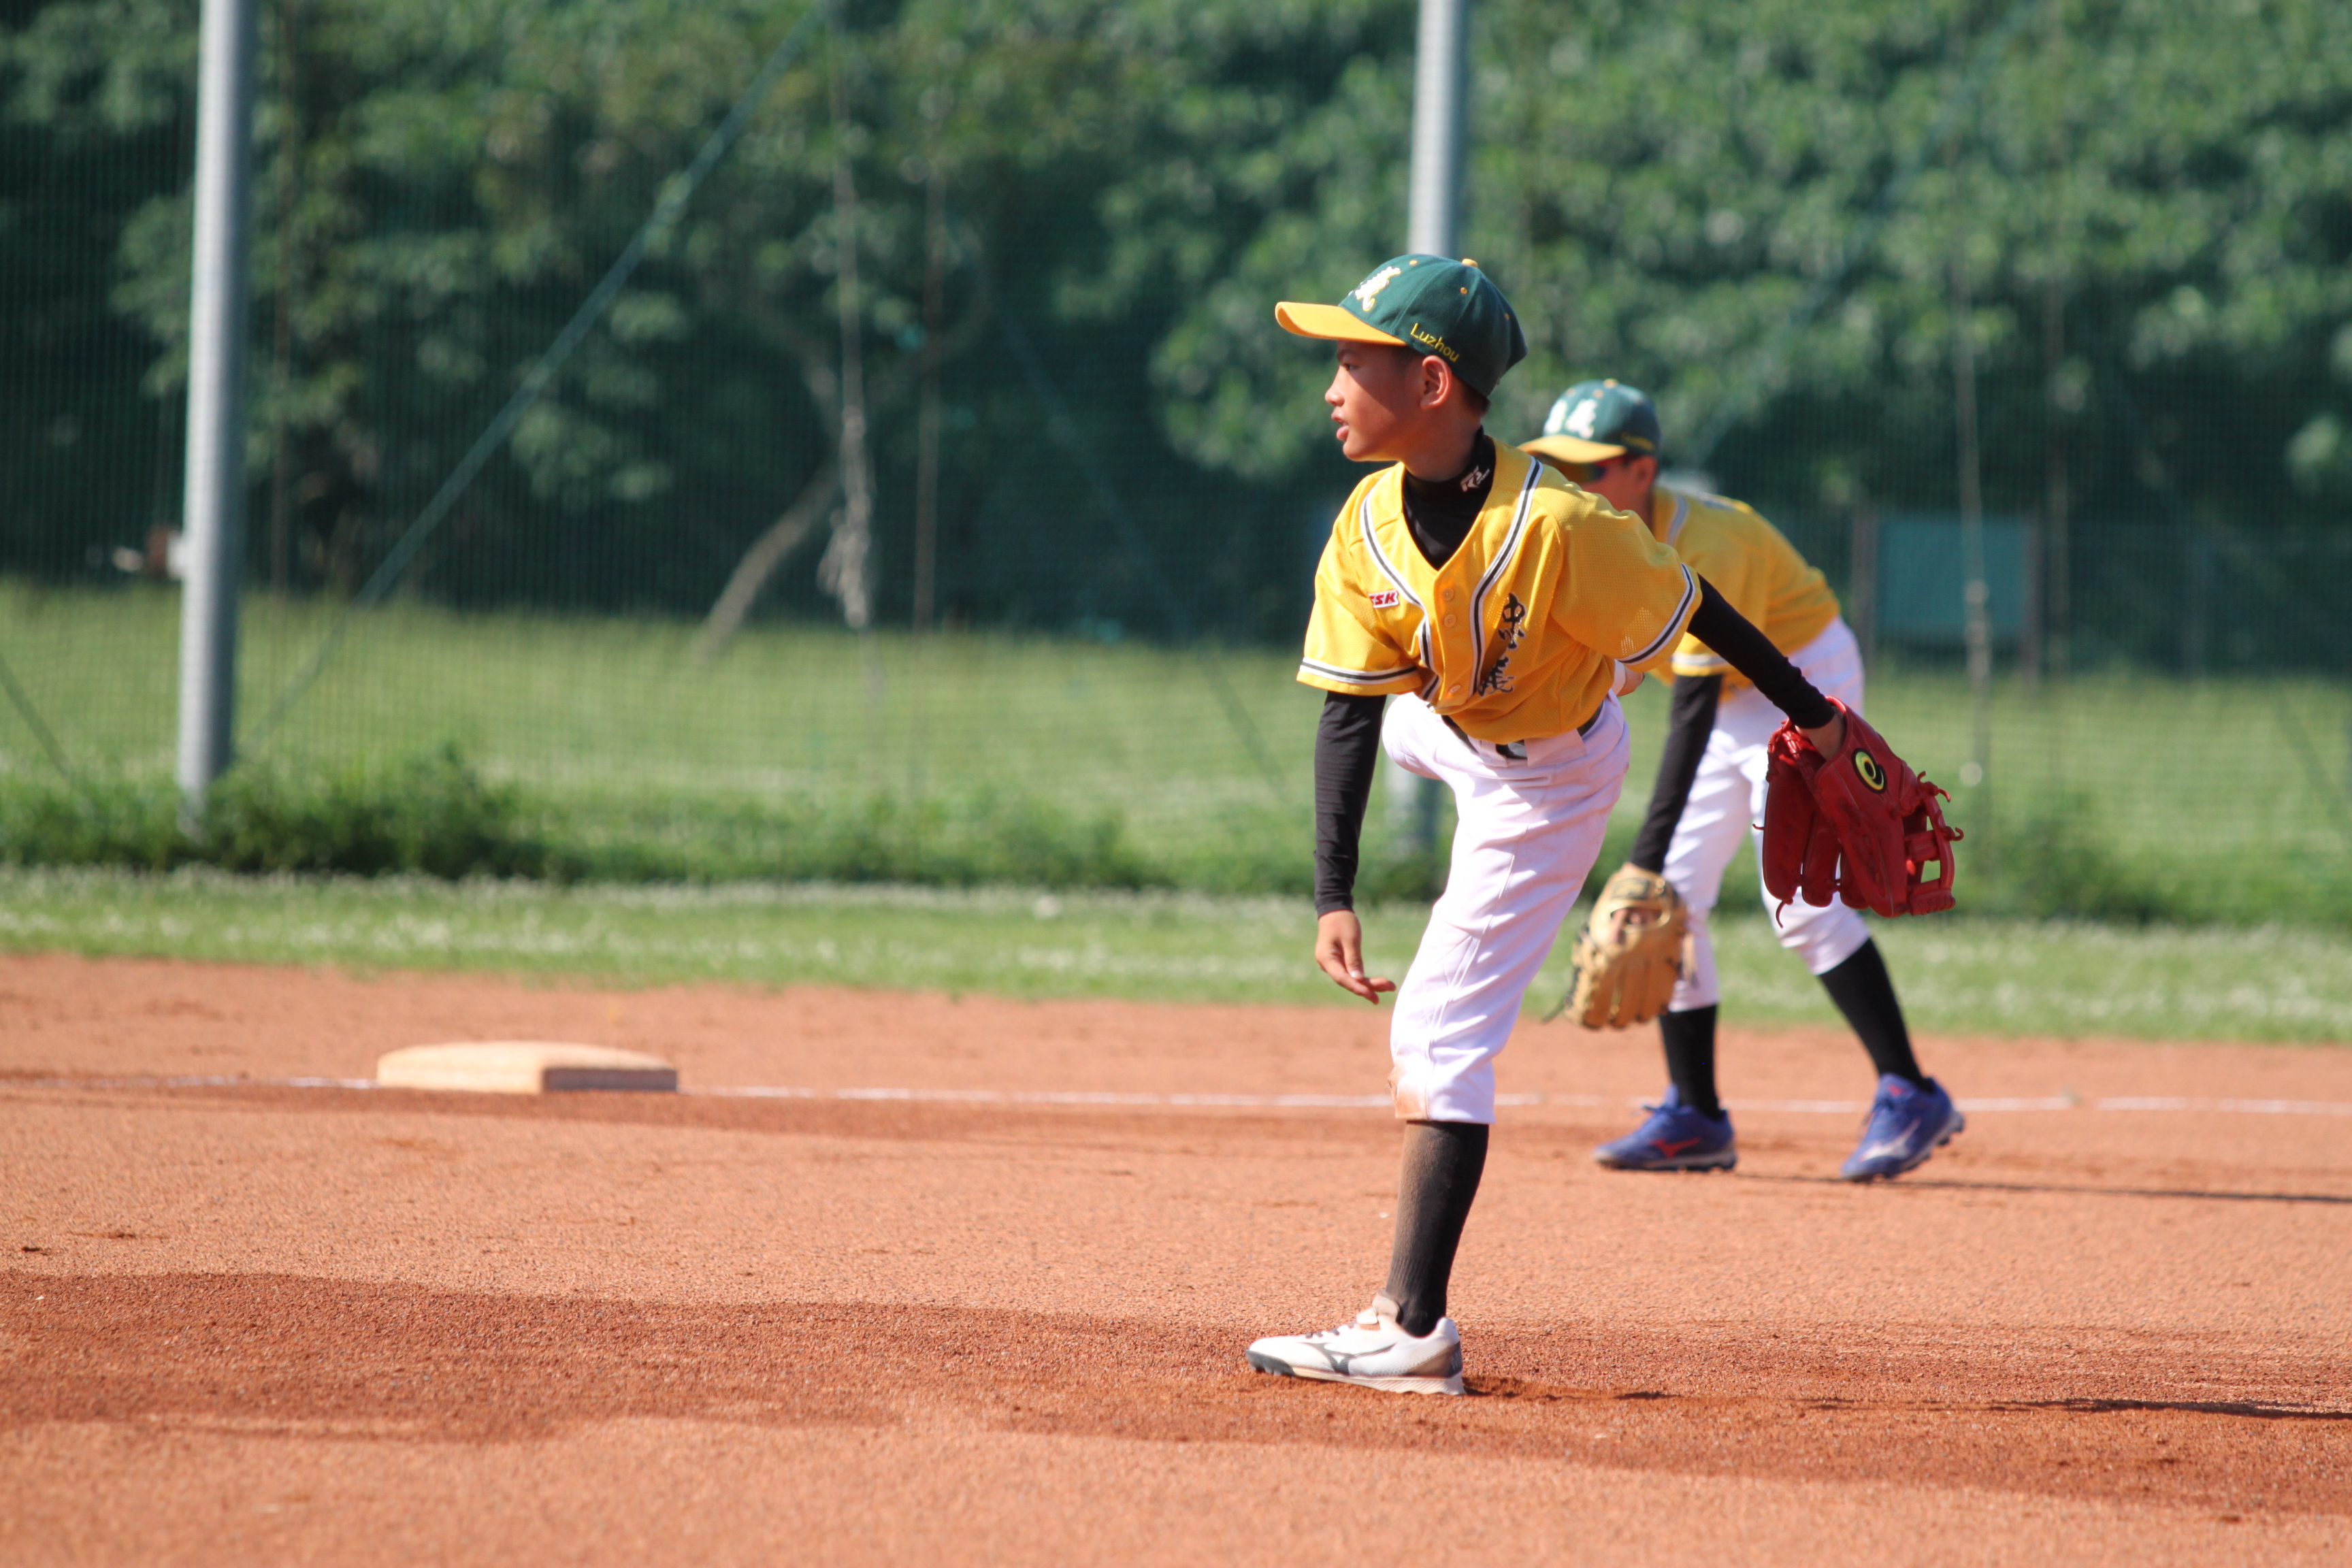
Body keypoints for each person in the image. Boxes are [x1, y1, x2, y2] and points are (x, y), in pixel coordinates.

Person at [1244, 258, 1910, 1396]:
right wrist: (1332, 893)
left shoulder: (1559, 524)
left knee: (1437, 1037)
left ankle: (1412, 1330)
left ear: (1433, 383)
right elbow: (1346, 715)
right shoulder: (1364, 524)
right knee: (1398, 714)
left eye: (1355, 360)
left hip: (1546, 782)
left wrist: (1815, 718)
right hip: (1447, 725)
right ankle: (1589, 666)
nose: (1332, 385)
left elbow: (1702, 612)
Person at [1521, 380, 1964, 1181]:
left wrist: (1639, 859)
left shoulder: (1709, 542)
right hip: (1725, 699)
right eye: (1559, 466)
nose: (1570, 481)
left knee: (1799, 905)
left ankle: (1911, 1091)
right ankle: (1696, 1116)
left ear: (1642, 471)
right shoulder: (1581, 539)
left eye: (1590, 468)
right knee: (1672, 903)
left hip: (1800, 684)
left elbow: (1690, 716)